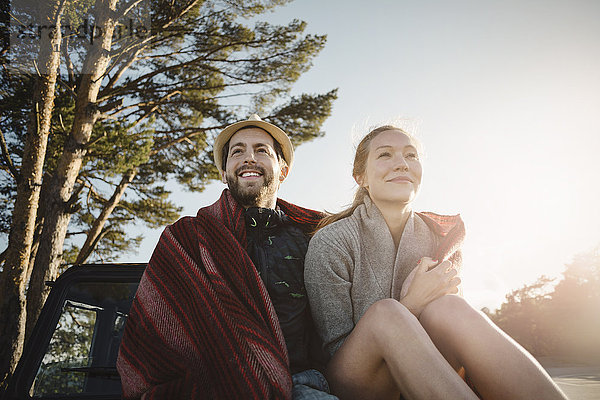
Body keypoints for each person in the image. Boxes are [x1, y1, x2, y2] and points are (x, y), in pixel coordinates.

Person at [304, 125, 568, 400]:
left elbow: (455, 335)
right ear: (361, 177)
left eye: (411, 155)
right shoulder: (332, 241)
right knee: (387, 314)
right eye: (385, 155)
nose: (402, 164)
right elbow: (333, 348)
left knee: (449, 307)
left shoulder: (439, 239)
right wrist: (412, 303)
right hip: (356, 380)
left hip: (430, 372)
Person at [117, 115, 336, 399]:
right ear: (224, 172)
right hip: (216, 388)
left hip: (304, 384)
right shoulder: (187, 240)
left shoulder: (314, 237)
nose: (248, 158)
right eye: (237, 151)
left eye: (261, 150)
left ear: (282, 170)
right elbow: (152, 337)